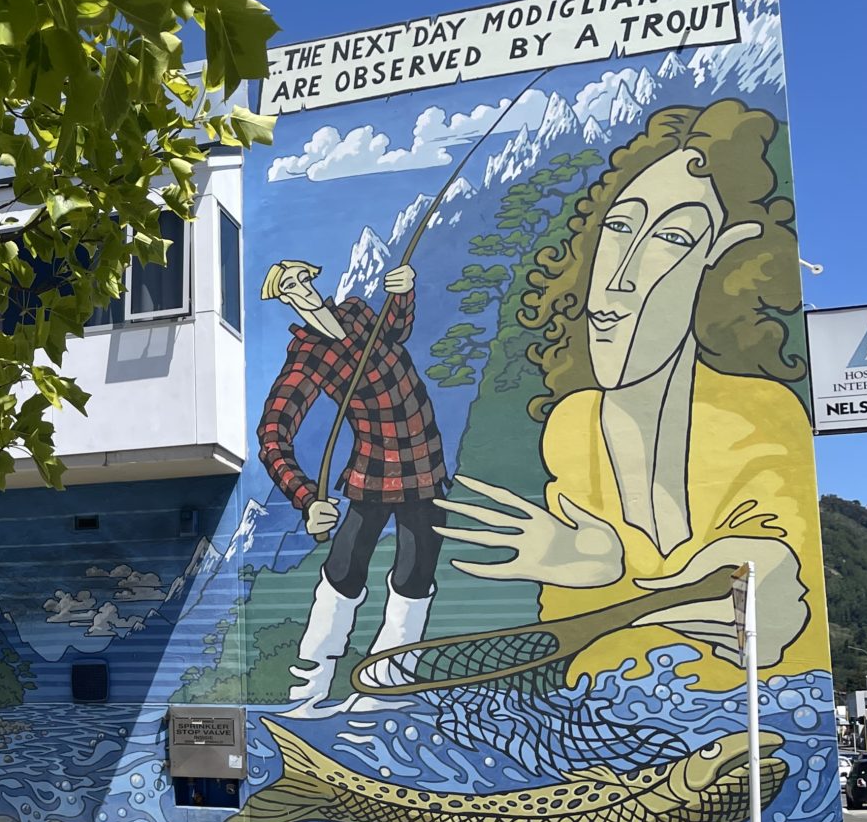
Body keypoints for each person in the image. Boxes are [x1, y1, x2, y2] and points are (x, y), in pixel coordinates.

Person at [438, 100, 824, 688]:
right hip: (594, 722)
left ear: (723, 249)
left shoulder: (764, 413)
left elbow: (775, 546)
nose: (620, 275)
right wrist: (599, 567)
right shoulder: (573, 424)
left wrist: (769, 578)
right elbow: (573, 645)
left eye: (671, 236)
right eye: (620, 227)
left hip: (738, 720)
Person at [258, 257, 446, 709]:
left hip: (426, 462)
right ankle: (310, 686)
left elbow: (396, 330)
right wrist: (306, 500)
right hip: (374, 470)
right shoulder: (307, 357)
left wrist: (403, 291)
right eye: (290, 286)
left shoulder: (358, 312)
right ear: (283, 299)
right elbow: (272, 435)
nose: (302, 288)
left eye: (305, 277)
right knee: (344, 569)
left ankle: (389, 681)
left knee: (416, 572)